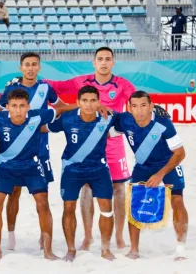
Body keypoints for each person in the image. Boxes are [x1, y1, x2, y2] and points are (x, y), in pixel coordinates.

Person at [8, 47, 136, 250]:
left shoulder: (122, 84)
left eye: (107, 59)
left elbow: (137, 100)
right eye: (100, 59)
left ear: (113, 62)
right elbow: (55, 86)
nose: (103, 63)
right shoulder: (81, 82)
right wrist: (22, 79)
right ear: (93, 62)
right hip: (85, 142)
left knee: (119, 188)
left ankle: (118, 236)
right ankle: (87, 236)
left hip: (113, 142)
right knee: (86, 188)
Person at [0, 89, 76, 264]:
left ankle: (48, 251)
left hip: (31, 166)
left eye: (22, 106)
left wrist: (89, 105)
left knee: (43, 203)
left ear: (28, 106)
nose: (18, 110)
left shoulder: (38, 116)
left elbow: (61, 109)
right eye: (14, 106)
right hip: (5, 168)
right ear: (7, 107)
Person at [0, 52, 67, 251]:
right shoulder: (11, 88)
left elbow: (60, 107)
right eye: (27, 65)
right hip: (14, 151)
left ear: (39, 67)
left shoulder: (45, 87)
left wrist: (85, 110)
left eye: (34, 64)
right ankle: (10, 234)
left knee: (42, 195)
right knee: (13, 192)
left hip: (40, 148)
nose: (31, 68)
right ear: (21, 67)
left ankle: (44, 238)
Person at [42, 86, 118, 262]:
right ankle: (71, 249)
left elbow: (132, 124)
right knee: (68, 208)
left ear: (99, 102)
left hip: (98, 169)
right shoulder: (67, 119)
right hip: (72, 169)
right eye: (85, 100)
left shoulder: (108, 118)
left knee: (106, 208)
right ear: (78, 103)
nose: (89, 104)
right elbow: (41, 128)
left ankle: (105, 249)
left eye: (93, 100)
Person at [111, 91, 188, 261]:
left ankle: (181, 248)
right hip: (142, 166)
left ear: (151, 106)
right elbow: (108, 129)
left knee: (177, 200)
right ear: (129, 108)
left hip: (168, 164)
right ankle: (134, 250)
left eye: (143, 105)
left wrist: (160, 175)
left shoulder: (164, 123)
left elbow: (180, 153)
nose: (139, 110)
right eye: (135, 106)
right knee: (134, 203)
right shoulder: (125, 120)